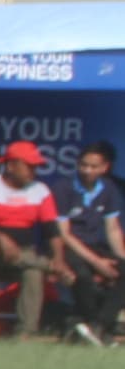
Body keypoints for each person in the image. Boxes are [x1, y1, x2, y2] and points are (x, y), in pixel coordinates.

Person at [0, 138, 61, 340]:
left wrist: (59, 259)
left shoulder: (40, 190)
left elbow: (52, 231)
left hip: (23, 255)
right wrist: (2, 239)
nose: (33, 171)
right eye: (29, 166)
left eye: (36, 167)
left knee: (33, 273)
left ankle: (25, 333)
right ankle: (43, 264)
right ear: (10, 166)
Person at [59, 141, 121, 342]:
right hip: (69, 248)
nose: (87, 170)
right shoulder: (63, 188)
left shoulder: (109, 189)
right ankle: (92, 324)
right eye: (83, 165)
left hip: (96, 247)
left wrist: (121, 259)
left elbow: (113, 229)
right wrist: (97, 263)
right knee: (83, 276)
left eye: (93, 166)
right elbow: (64, 234)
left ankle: (99, 326)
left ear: (105, 168)